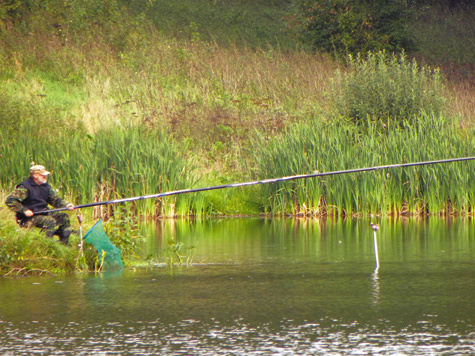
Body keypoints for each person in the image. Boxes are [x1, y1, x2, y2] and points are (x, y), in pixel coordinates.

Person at [5, 165, 75, 245]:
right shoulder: (25, 187)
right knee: (50, 221)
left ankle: (63, 245)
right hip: (29, 217)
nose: (45, 176)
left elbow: (54, 200)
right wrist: (24, 210)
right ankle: (45, 244)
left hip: (43, 212)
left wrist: (66, 205)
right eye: (43, 175)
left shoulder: (45, 186)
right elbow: (10, 201)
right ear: (35, 175)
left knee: (63, 217)